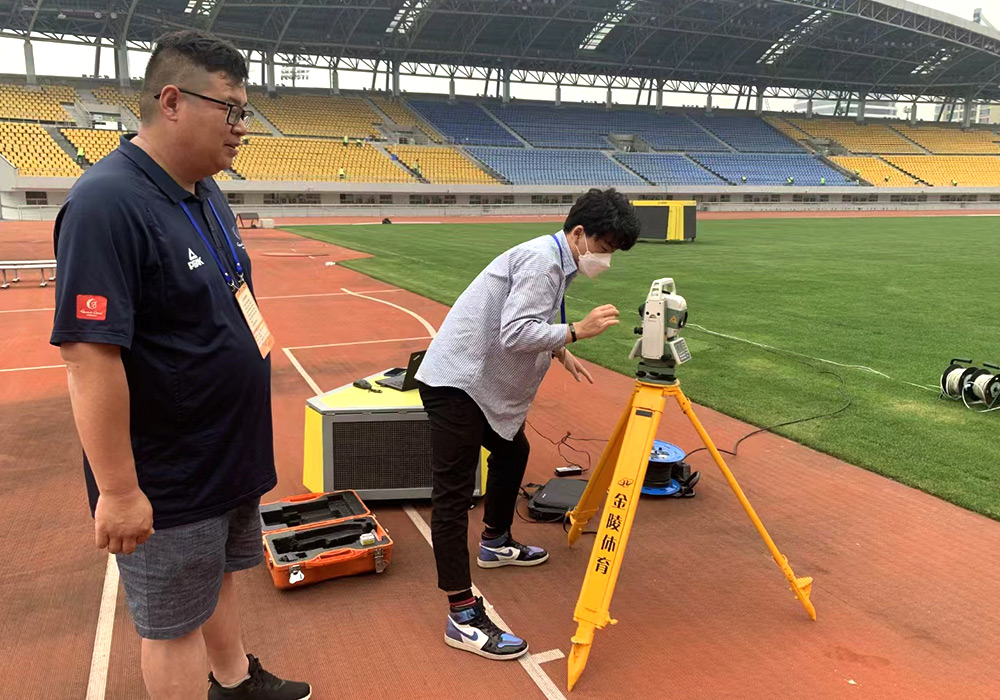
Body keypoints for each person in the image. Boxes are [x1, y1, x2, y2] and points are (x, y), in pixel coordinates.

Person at [49, 29, 310, 700]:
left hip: (225, 451)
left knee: (217, 576)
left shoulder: (204, 190)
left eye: (245, 111)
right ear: (171, 102)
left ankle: (234, 681)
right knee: (172, 626)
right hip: (169, 470)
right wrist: (118, 491)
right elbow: (88, 355)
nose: (242, 127)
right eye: (231, 109)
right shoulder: (107, 203)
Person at [415, 188, 641, 660]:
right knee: (452, 495)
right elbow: (515, 332)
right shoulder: (542, 261)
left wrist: (559, 350)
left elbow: (527, 320)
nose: (606, 259)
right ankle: (461, 615)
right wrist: (576, 331)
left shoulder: (555, 259)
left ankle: (495, 541)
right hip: (458, 382)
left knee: (513, 450)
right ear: (579, 234)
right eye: (604, 248)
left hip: (476, 381)